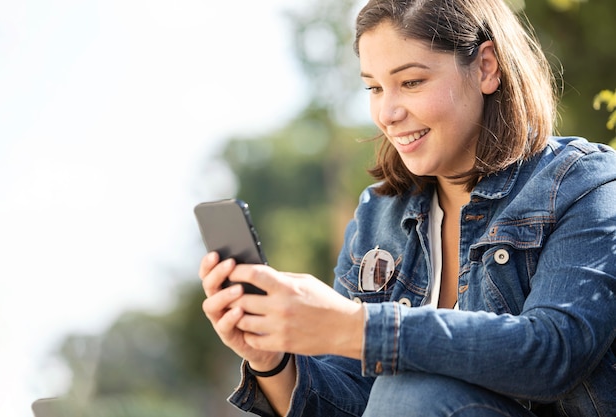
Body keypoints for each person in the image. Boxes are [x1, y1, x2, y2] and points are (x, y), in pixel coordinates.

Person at [200, 0, 616, 415]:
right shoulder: (377, 216)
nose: (388, 113)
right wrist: (272, 361)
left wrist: (354, 326)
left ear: (486, 67)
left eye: (412, 82)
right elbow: (360, 404)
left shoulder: (584, 183)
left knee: (411, 391)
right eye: (374, 88)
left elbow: (551, 354)